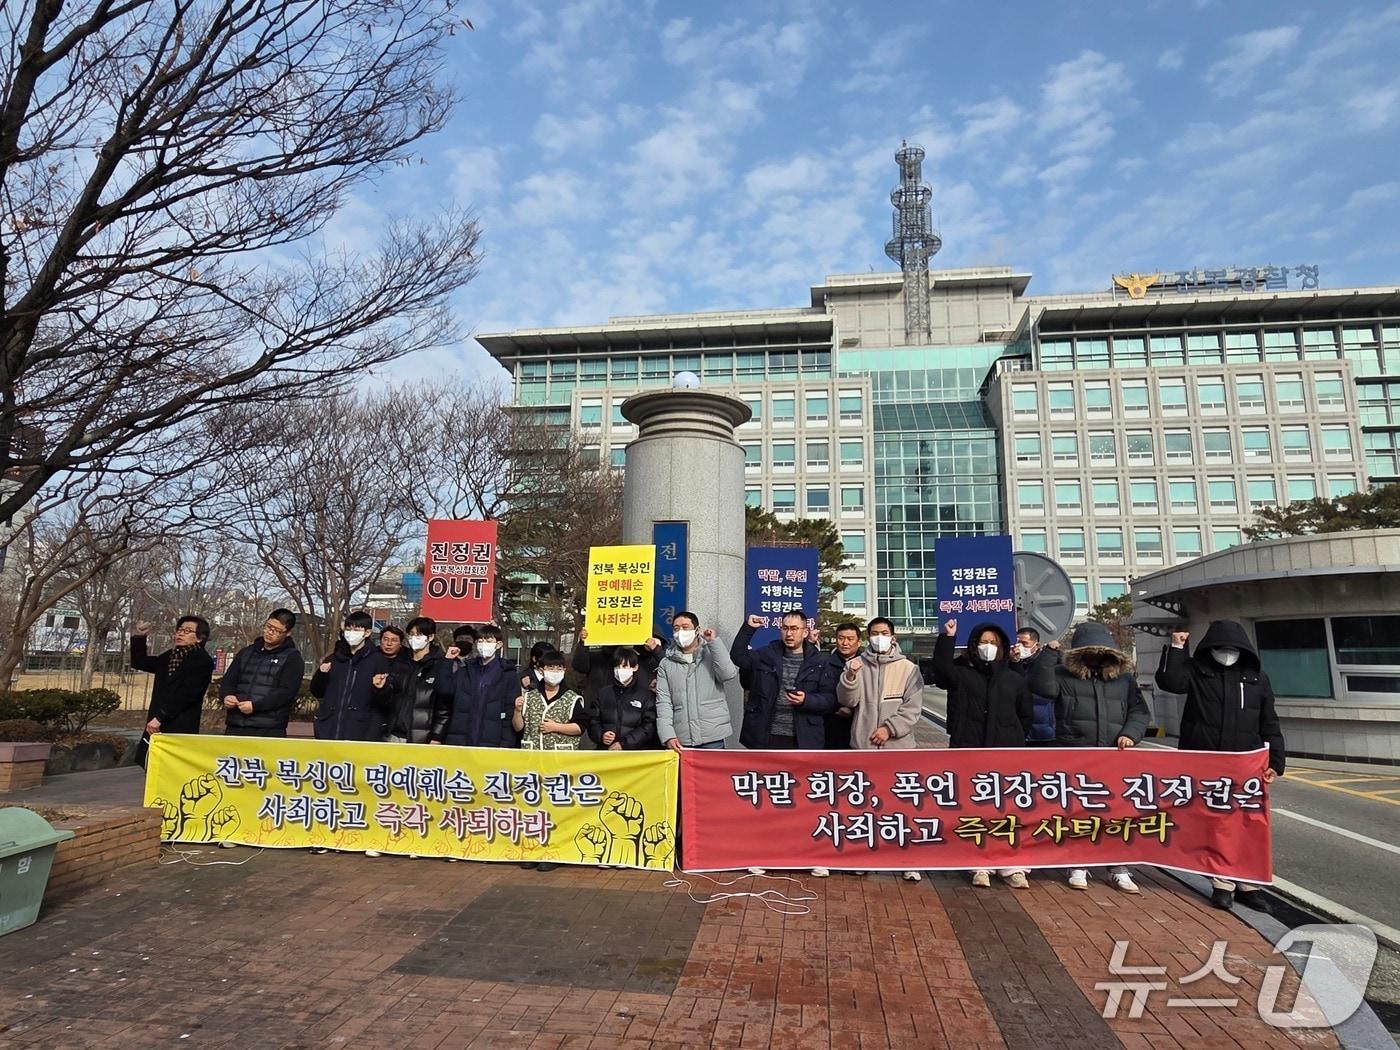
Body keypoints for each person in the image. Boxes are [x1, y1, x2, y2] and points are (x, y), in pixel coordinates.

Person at [1156, 620, 1285, 912]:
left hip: (1245, 765)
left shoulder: (1256, 678)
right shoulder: (1197, 671)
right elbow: (1170, 682)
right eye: (1220, 647)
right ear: (1209, 648)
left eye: (1232, 648)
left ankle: (1248, 884)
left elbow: (1269, 721)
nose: (1227, 653)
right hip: (1205, 763)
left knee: (1246, 824)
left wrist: (1276, 761)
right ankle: (1222, 883)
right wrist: (1177, 648)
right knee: (1213, 823)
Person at [1032, 621, 1150, 894]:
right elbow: (1041, 686)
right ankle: (1078, 863)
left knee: (1116, 813)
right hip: (1074, 755)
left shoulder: (1123, 680)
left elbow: (1139, 711)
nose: (1096, 656)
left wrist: (1130, 734)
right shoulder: (1062, 675)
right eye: (1090, 652)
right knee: (1077, 811)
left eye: (1102, 652)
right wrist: (1050, 653)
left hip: (1114, 758)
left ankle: (1118, 867)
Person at [733, 608, 838, 878]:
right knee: (766, 799)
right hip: (767, 738)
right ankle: (763, 854)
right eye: (785, 628)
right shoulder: (766, 654)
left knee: (806, 800)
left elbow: (830, 700)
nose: (789, 633)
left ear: (805, 631)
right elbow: (738, 658)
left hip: (804, 740)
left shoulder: (820, 662)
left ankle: (813, 855)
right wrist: (748, 629)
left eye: (794, 628)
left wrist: (807, 700)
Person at [933, 619, 1033, 889]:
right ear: (974, 645)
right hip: (969, 749)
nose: (987, 647)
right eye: (983, 642)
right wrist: (947, 637)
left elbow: (1025, 715)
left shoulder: (1014, 678)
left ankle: (1012, 865)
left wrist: (1011, 735)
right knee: (974, 807)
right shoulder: (962, 674)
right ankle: (978, 863)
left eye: (993, 643)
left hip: (1007, 753)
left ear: (1002, 647)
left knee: (1008, 809)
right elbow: (941, 671)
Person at [836, 616, 926, 882]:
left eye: (884, 633)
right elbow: (847, 700)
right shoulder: (856, 664)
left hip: (898, 749)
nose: (879, 637)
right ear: (868, 637)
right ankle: (862, 856)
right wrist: (850, 676)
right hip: (863, 746)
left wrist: (889, 728)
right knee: (863, 806)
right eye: (874, 633)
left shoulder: (909, 669)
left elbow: (912, 708)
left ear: (893, 637)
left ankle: (907, 859)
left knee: (901, 805)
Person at [130, 615, 215, 768]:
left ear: (200, 638)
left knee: (174, 769)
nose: (181, 634)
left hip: (180, 723)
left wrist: (161, 716)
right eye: (179, 630)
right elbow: (139, 662)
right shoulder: (169, 656)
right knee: (152, 766)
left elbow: (188, 695)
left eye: (187, 631)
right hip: (155, 723)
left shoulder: (202, 661)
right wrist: (140, 636)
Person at [655, 611, 738, 751]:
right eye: (676, 628)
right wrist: (668, 735)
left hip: (713, 736)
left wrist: (713, 642)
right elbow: (663, 702)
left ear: (697, 630)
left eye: (685, 627)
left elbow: (728, 674)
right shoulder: (666, 663)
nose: (680, 632)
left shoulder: (711, 653)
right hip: (682, 738)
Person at [431, 624, 521, 747]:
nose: (483, 645)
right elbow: (444, 690)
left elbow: (509, 712)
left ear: (498, 644)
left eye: (488, 641)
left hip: (492, 742)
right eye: (480, 641)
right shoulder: (465, 670)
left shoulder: (508, 674)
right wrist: (447, 661)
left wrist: (506, 745)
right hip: (461, 740)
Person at [309, 610, 393, 742]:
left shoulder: (378, 661)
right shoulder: (333, 659)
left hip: (362, 731)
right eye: (348, 629)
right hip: (329, 728)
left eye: (356, 630)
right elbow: (317, 692)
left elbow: (385, 701)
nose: (351, 633)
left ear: (367, 632)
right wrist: (321, 674)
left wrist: (380, 688)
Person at [221, 609, 305, 738]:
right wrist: (227, 695)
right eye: (268, 627)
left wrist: (255, 706)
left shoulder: (292, 658)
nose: (270, 632)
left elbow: (286, 693)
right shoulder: (246, 652)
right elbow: (229, 680)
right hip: (236, 723)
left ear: (288, 633)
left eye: (277, 630)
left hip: (269, 727)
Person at [582, 647, 659, 753]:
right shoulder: (603, 694)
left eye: (624, 666)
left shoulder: (646, 696)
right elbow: (593, 720)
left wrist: (624, 744)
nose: (620, 670)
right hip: (606, 752)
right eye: (617, 666)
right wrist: (601, 735)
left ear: (635, 667)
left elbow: (648, 726)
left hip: (635, 754)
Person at [384, 616, 444, 744]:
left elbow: (443, 707)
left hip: (421, 736)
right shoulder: (400, 662)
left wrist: (437, 736)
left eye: (419, 635)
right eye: (411, 634)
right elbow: (389, 696)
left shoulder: (440, 665)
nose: (414, 638)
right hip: (391, 734)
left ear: (430, 637)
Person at [1009, 627, 1061, 745]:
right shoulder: (1011, 665)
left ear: (1036, 645)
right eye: (1017, 643)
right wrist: (1015, 663)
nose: (1019, 646)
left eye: (1024, 643)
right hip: (1022, 732)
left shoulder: (1046, 665)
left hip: (1047, 733)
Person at [824, 622, 863, 749]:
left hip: (860, 725)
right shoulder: (824, 664)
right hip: (830, 725)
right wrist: (837, 707)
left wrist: (852, 710)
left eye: (850, 639)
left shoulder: (868, 665)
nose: (845, 643)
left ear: (859, 642)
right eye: (841, 638)